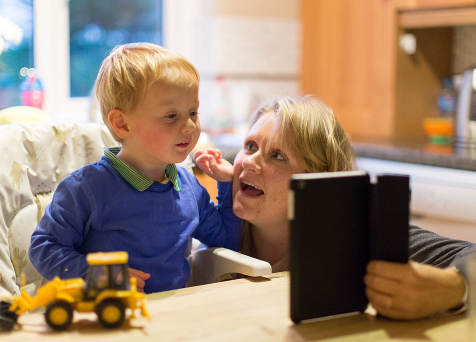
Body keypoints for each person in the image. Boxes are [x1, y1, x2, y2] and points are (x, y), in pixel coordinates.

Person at [195, 95, 476, 320]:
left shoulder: (354, 234)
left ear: (318, 180)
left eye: (277, 155)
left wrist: (454, 288)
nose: (248, 162)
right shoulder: (219, 225)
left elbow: (470, 255)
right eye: (250, 145)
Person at [29, 43, 241, 294]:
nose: (189, 126)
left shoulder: (189, 186)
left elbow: (228, 239)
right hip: (111, 318)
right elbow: (44, 248)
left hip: (177, 316)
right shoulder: (86, 189)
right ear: (122, 125)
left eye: (193, 112)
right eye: (171, 116)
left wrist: (228, 183)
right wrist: (98, 275)